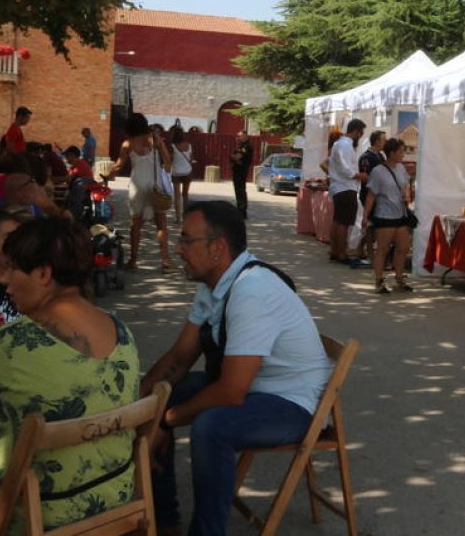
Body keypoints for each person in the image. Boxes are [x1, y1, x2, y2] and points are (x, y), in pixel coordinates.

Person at [0, 218, 141, 535]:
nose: (6, 283)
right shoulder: (122, 330)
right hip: (114, 494)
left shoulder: (8, 343)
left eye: (12, 270)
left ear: (44, 274)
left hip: (38, 508)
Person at [142, 201, 332, 535]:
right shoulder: (212, 285)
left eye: (186, 240)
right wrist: (139, 405)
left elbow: (230, 392)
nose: (178, 248)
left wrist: (166, 422)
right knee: (163, 396)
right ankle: (162, 521)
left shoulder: (251, 290)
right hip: (255, 388)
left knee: (211, 426)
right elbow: (178, 358)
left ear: (217, 249)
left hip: (294, 403)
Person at [104, 113, 175, 271]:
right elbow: (167, 159)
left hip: (137, 184)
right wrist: (167, 173)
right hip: (155, 185)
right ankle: (166, 261)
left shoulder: (127, 144)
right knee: (161, 224)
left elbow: (118, 165)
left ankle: (133, 261)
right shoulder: (155, 139)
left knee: (135, 224)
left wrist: (108, 176)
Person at [363, 138, 413, 294]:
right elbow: (371, 195)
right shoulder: (378, 171)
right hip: (385, 215)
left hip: (400, 214)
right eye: (401, 151)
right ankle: (379, 281)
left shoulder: (401, 169)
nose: (403, 154)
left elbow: (406, 186)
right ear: (392, 153)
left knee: (403, 247)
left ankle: (399, 278)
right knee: (383, 250)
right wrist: (365, 216)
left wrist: (407, 196)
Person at [327, 119, 368, 265]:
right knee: (343, 222)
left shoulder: (339, 143)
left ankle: (335, 250)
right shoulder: (345, 144)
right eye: (361, 133)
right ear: (356, 131)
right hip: (345, 186)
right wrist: (359, 176)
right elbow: (345, 167)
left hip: (340, 186)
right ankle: (341, 253)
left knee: (338, 220)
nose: (361, 136)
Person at [357, 130, 387, 262]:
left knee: (375, 224)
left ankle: (360, 247)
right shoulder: (366, 157)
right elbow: (364, 177)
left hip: (380, 195)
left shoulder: (380, 155)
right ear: (376, 141)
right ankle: (369, 252)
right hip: (369, 194)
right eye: (383, 140)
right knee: (370, 225)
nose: (385, 142)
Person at [170, 126, 194, 224]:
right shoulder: (189, 145)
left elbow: (170, 159)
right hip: (187, 172)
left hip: (176, 173)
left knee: (177, 196)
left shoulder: (172, 146)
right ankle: (186, 217)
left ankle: (178, 218)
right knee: (185, 195)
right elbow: (191, 159)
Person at [230, 130, 252, 219]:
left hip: (241, 170)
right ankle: (240, 209)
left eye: (240, 136)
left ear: (245, 136)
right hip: (237, 170)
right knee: (238, 190)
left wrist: (234, 157)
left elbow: (237, 157)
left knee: (240, 190)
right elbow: (235, 157)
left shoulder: (246, 146)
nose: (238, 138)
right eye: (238, 136)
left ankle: (242, 211)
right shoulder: (241, 146)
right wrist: (234, 157)